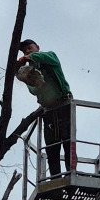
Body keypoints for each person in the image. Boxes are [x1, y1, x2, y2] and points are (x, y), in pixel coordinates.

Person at [16, 39, 73, 177]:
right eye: (25, 51)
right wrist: (34, 82)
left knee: (68, 143)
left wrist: (29, 57)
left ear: (38, 47)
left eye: (30, 48)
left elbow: (45, 57)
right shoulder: (29, 72)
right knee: (51, 148)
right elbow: (33, 90)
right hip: (49, 110)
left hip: (64, 104)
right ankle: (55, 179)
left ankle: (72, 174)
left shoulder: (50, 57)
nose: (27, 51)